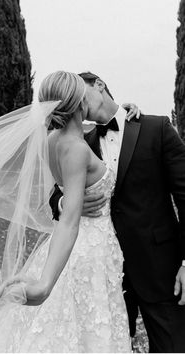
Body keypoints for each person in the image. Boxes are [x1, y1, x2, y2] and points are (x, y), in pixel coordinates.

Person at [0, 71, 140, 353]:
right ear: (78, 102)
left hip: (73, 248)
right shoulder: (75, 148)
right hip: (86, 250)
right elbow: (70, 222)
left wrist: (126, 109)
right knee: (89, 331)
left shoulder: (51, 140)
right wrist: (44, 285)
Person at [50, 71, 185, 353]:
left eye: (80, 94)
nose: (78, 104)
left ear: (99, 85)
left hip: (159, 267)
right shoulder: (79, 142)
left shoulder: (156, 128)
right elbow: (56, 193)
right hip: (103, 271)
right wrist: (65, 204)